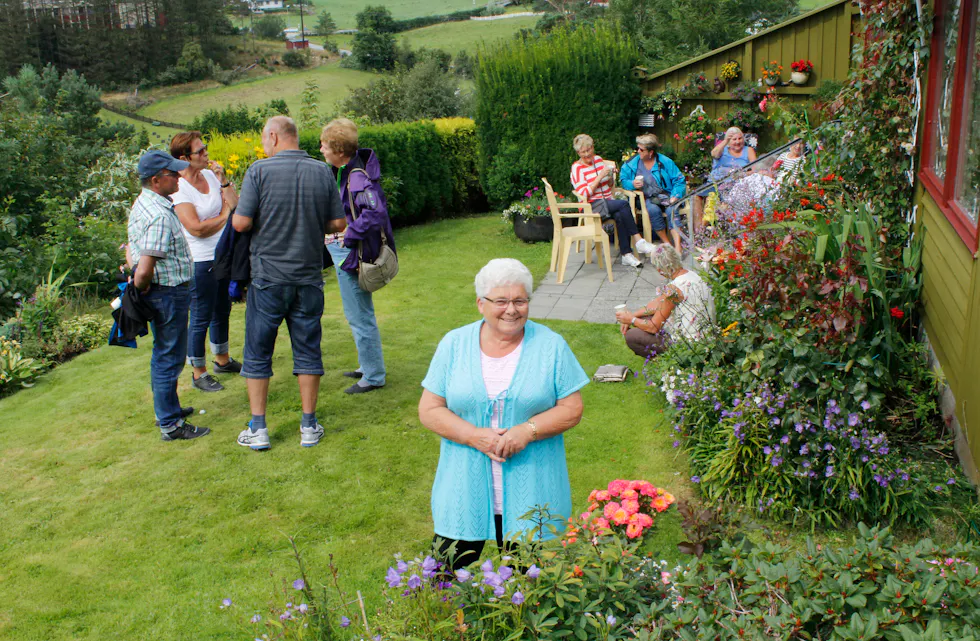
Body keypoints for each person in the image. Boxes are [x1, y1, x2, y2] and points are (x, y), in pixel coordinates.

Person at [419, 259, 590, 570]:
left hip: (534, 489)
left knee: (533, 588)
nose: (512, 310)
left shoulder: (551, 346)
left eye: (520, 300)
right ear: (481, 304)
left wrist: (527, 430)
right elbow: (429, 409)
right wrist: (473, 436)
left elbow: (572, 408)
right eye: (501, 301)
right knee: (442, 580)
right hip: (463, 487)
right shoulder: (454, 344)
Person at [232, 116, 347, 451]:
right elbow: (337, 222)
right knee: (308, 349)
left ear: (273, 136)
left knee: (257, 351)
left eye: (264, 139)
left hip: (268, 277)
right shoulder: (321, 171)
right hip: (308, 277)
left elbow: (241, 222)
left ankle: (259, 429)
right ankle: (309, 426)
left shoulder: (259, 171)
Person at [128, 149, 210, 441]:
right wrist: (141, 288)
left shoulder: (145, 204)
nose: (178, 177)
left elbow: (130, 250)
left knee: (166, 354)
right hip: (167, 294)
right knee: (169, 358)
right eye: (172, 174)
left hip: (163, 292)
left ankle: (169, 410)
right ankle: (171, 425)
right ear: (155, 180)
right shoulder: (159, 215)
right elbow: (144, 268)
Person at [319, 118, 393, 395]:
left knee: (359, 316)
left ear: (338, 149)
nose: (322, 150)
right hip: (347, 254)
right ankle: (367, 365)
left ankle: (373, 376)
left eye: (325, 146)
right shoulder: (349, 172)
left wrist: (349, 235)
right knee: (360, 313)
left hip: (352, 256)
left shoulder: (357, 178)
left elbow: (375, 213)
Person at [170, 131, 242, 393]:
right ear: (183, 158)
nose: (206, 153)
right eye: (200, 151)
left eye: (205, 148)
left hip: (223, 254)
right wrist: (225, 214)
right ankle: (198, 372)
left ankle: (222, 360)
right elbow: (197, 229)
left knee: (222, 308)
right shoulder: (179, 188)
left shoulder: (211, 175)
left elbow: (236, 204)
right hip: (199, 260)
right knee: (200, 315)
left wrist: (223, 182)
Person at [615, 245, 715, 359]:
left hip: (691, 345)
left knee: (632, 336)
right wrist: (633, 315)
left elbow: (653, 327)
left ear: (659, 270)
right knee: (644, 318)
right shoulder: (691, 274)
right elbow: (656, 304)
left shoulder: (673, 290)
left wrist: (631, 320)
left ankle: (671, 364)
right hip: (708, 335)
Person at [570, 134, 655, 267]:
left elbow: (608, 186)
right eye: (583, 152)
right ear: (578, 153)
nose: (587, 154)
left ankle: (626, 255)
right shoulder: (577, 168)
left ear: (593, 147)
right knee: (623, 204)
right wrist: (599, 177)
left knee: (621, 214)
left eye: (589, 150)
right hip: (591, 206)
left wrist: (610, 177)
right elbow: (584, 193)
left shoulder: (598, 160)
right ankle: (638, 241)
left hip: (607, 202)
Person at [620, 134, 686, 255]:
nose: (638, 151)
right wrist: (633, 184)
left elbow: (679, 180)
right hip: (647, 198)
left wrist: (675, 195)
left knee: (672, 209)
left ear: (651, 152)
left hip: (666, 194)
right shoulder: (632, 163)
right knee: (653, 210)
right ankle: (667, 244)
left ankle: (678, 246)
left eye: (641, 149)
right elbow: (623, 181)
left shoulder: (665, 162)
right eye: (638, 148)